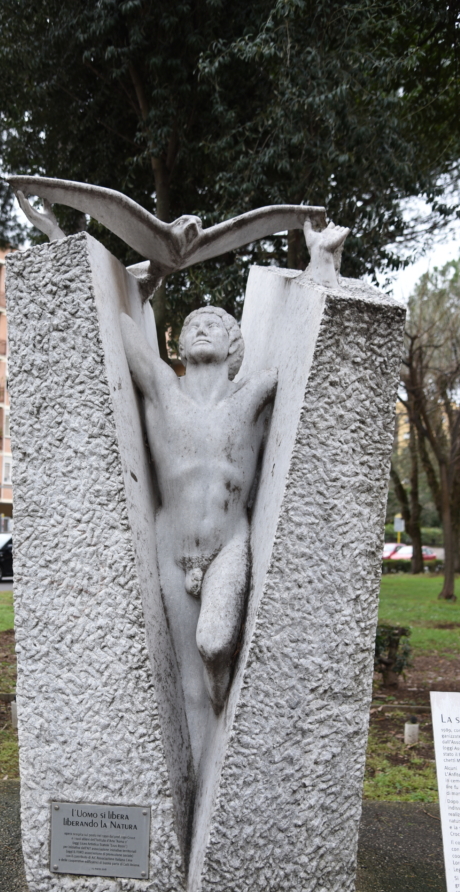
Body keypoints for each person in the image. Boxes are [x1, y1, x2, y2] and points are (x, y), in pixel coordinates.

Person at [120, 307, 277, 770]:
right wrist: (147, 286)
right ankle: (202, 782)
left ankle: (223, 691)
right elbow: (124, 330)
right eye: (192, 325)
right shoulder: (164, 390)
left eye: (215, 324)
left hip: (229, 543)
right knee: (187, 683)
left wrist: (322, 266)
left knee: (212, 643)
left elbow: (315, 353)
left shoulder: (254, 394)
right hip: (172, 546)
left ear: (234, 347)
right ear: (178, 347)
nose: (202, 326)